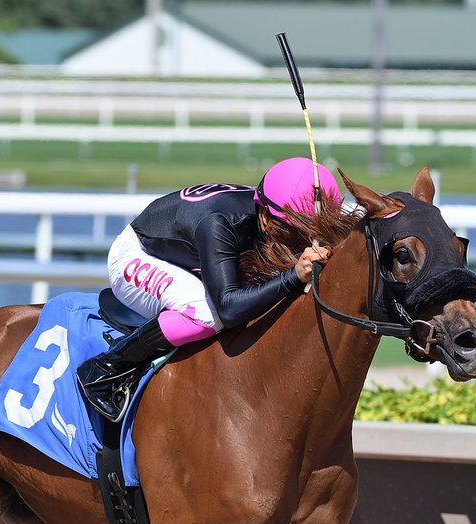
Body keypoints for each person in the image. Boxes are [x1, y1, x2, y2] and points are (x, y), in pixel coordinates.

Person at [76, 157, 341, 422]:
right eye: (295, 233)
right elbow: (230, 309)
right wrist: (293, 275)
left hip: (187, 250)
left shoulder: (269, 211)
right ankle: (106, 368)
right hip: (136, 256)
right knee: (208, 313)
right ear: (264, 219)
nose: (302, 244)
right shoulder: (220, 224)